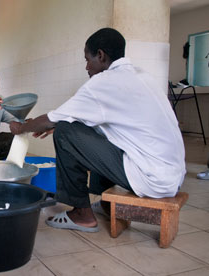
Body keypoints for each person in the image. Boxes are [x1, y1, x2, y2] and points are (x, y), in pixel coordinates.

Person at [10, 28, 186, 232]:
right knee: (81, 129)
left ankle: (81, 214)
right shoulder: (141, 76)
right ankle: (105, 203)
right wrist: (57, 123)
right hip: (172, 175)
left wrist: (21, 127)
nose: (86, 66)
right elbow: (97, 123)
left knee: (65, 132)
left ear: (100, 55)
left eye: (87, 59)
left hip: (152, 177)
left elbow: (52, 119)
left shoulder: (103, 82)